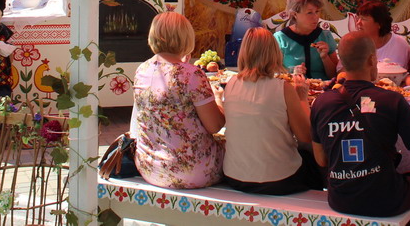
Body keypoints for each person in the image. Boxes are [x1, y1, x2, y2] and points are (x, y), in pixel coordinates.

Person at [310, 31, 410, 218]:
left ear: (342, 62)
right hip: (385, 200)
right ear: (372, 60)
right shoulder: (391, 100)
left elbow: (321, 159)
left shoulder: (321, 103)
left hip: (340, 199)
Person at [223, 28, 323, 195]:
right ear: (274, 53)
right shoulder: (283, 88)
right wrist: (302, 98)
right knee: (316, 158)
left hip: (235, 177)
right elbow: (305, 136)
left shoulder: (231, 84)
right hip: (280, 179)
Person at [133, 12, 224, 189]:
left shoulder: (141, 70)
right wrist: (219, 99)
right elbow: (215, 126)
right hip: (192, 171)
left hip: (150, 169)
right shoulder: (192, 75)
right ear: (186, 37)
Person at [274, 0, 339, 79]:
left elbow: (335, 76)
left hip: (323, 86)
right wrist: (292, 71)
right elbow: (273, 73)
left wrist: (325, 57)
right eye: (309, 13)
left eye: (317, 11)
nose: (316, 17)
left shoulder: (325, 36)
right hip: (293, 85)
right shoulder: (280, 39)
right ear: (295, 14)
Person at [355, 0, 410, 66]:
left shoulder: (400, 45)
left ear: (380, 23)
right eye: (358, 18)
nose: (358, 23)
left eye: (363, 19)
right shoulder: (356, 45)